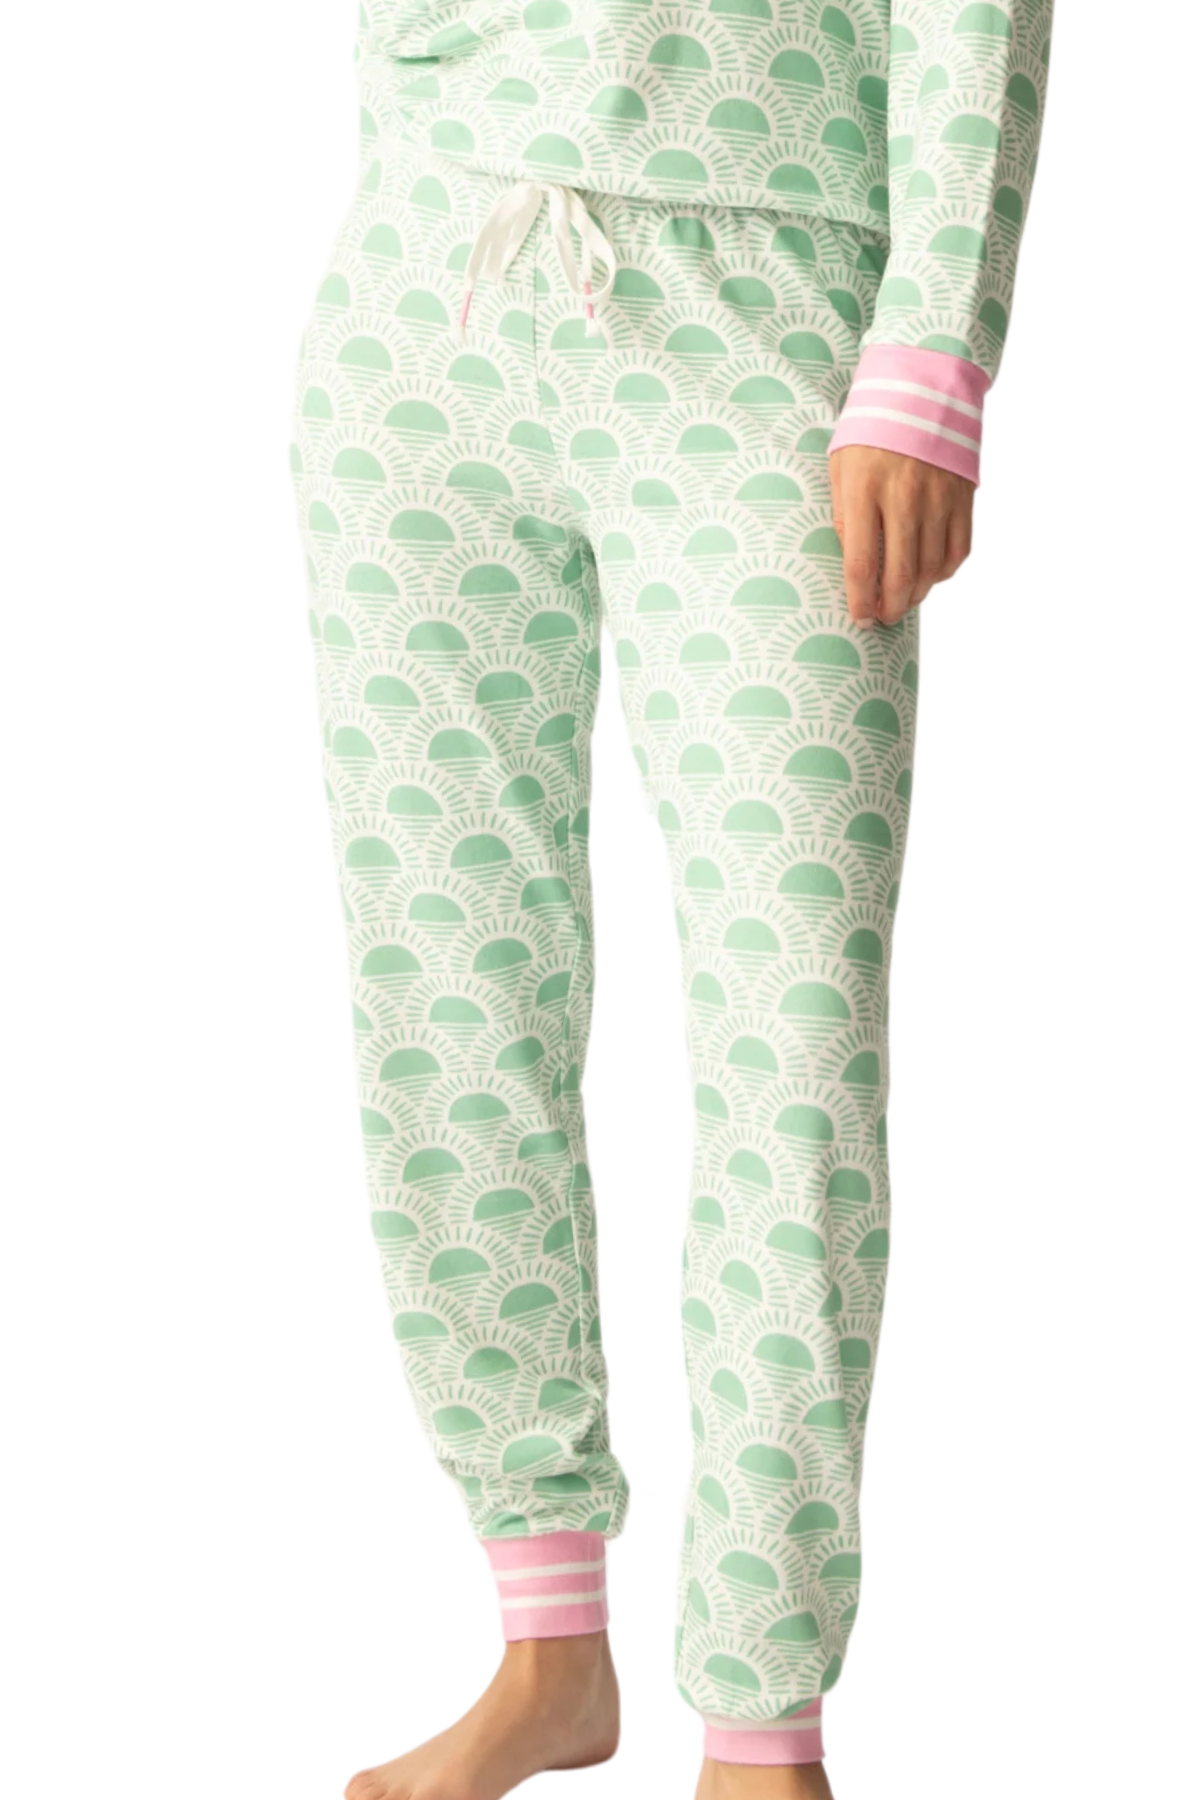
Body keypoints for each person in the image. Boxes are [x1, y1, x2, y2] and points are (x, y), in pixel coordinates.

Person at [290, 0, 1052, 1792]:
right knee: (448, 988)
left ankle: (762, 1724)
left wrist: (934, 347)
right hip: (425, 284)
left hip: (766, 293)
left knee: (792, 1030)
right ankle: (546, 1640)